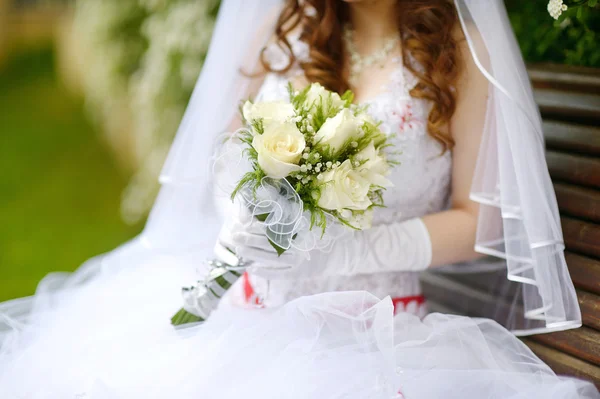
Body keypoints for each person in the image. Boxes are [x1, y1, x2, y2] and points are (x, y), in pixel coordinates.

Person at [0, 0, 597, 398]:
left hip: (376, 330)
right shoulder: (287, 26)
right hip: (251, 309)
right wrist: (243, 217)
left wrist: (356, 250)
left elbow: (479, 219)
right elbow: (229, 151)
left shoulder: (459, 55)